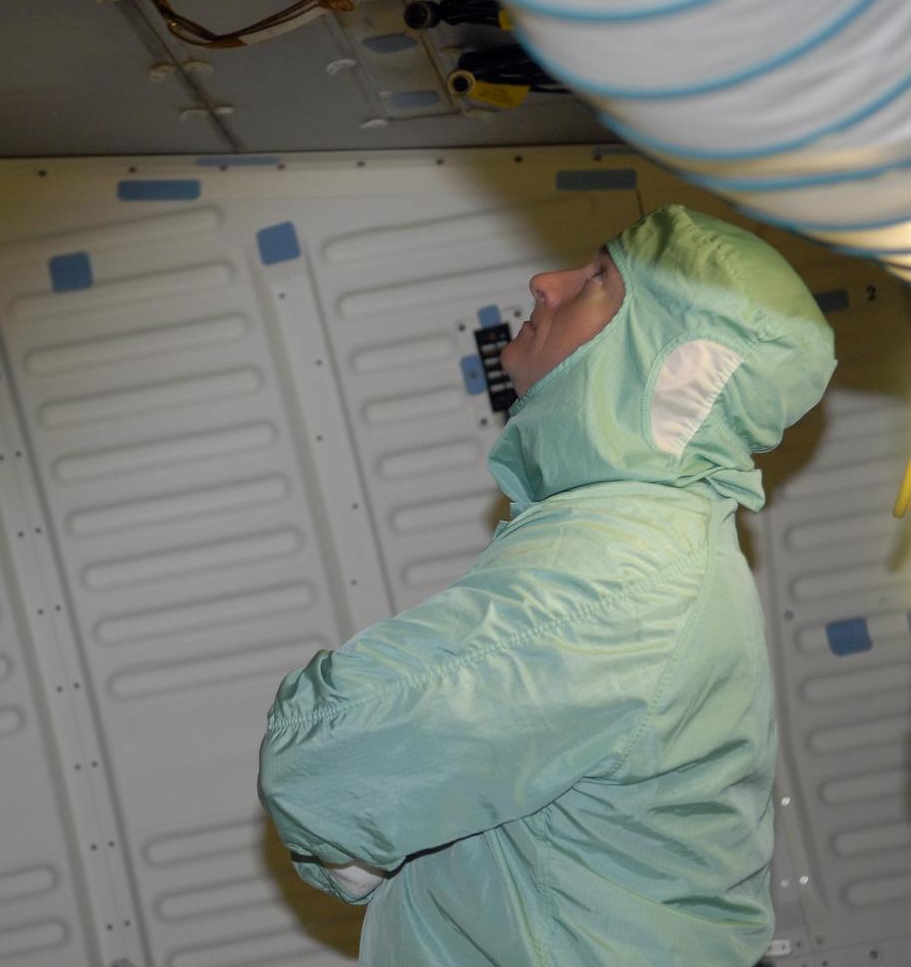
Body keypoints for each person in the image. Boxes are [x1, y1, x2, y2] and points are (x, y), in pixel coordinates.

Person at [257, 204, 837, 966]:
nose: (545, 282)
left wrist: (357, 838)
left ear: (673, 363)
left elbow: (322, 761)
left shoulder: (620, 571)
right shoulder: (650, 540)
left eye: (599, 278)